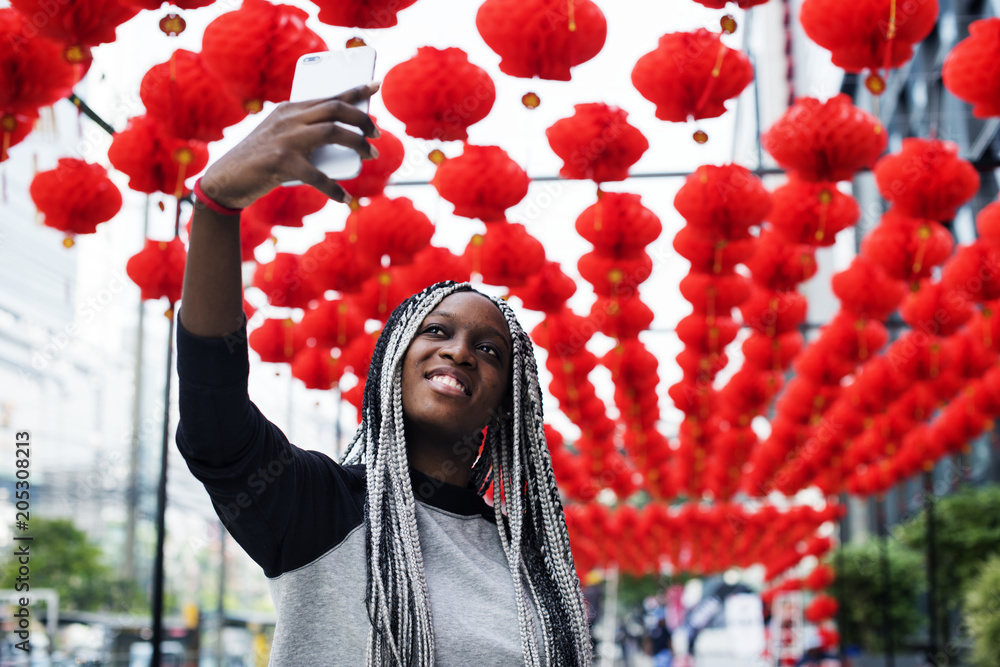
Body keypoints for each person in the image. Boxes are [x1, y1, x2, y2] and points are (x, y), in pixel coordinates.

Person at [175, 81, 593, 666]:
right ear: (392, 366)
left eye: (490, 350)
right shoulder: (324, 508)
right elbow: (213, 417)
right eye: (437, 331)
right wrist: (216, 207)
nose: (460, 352)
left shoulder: (527, 556)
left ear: (505, 402)